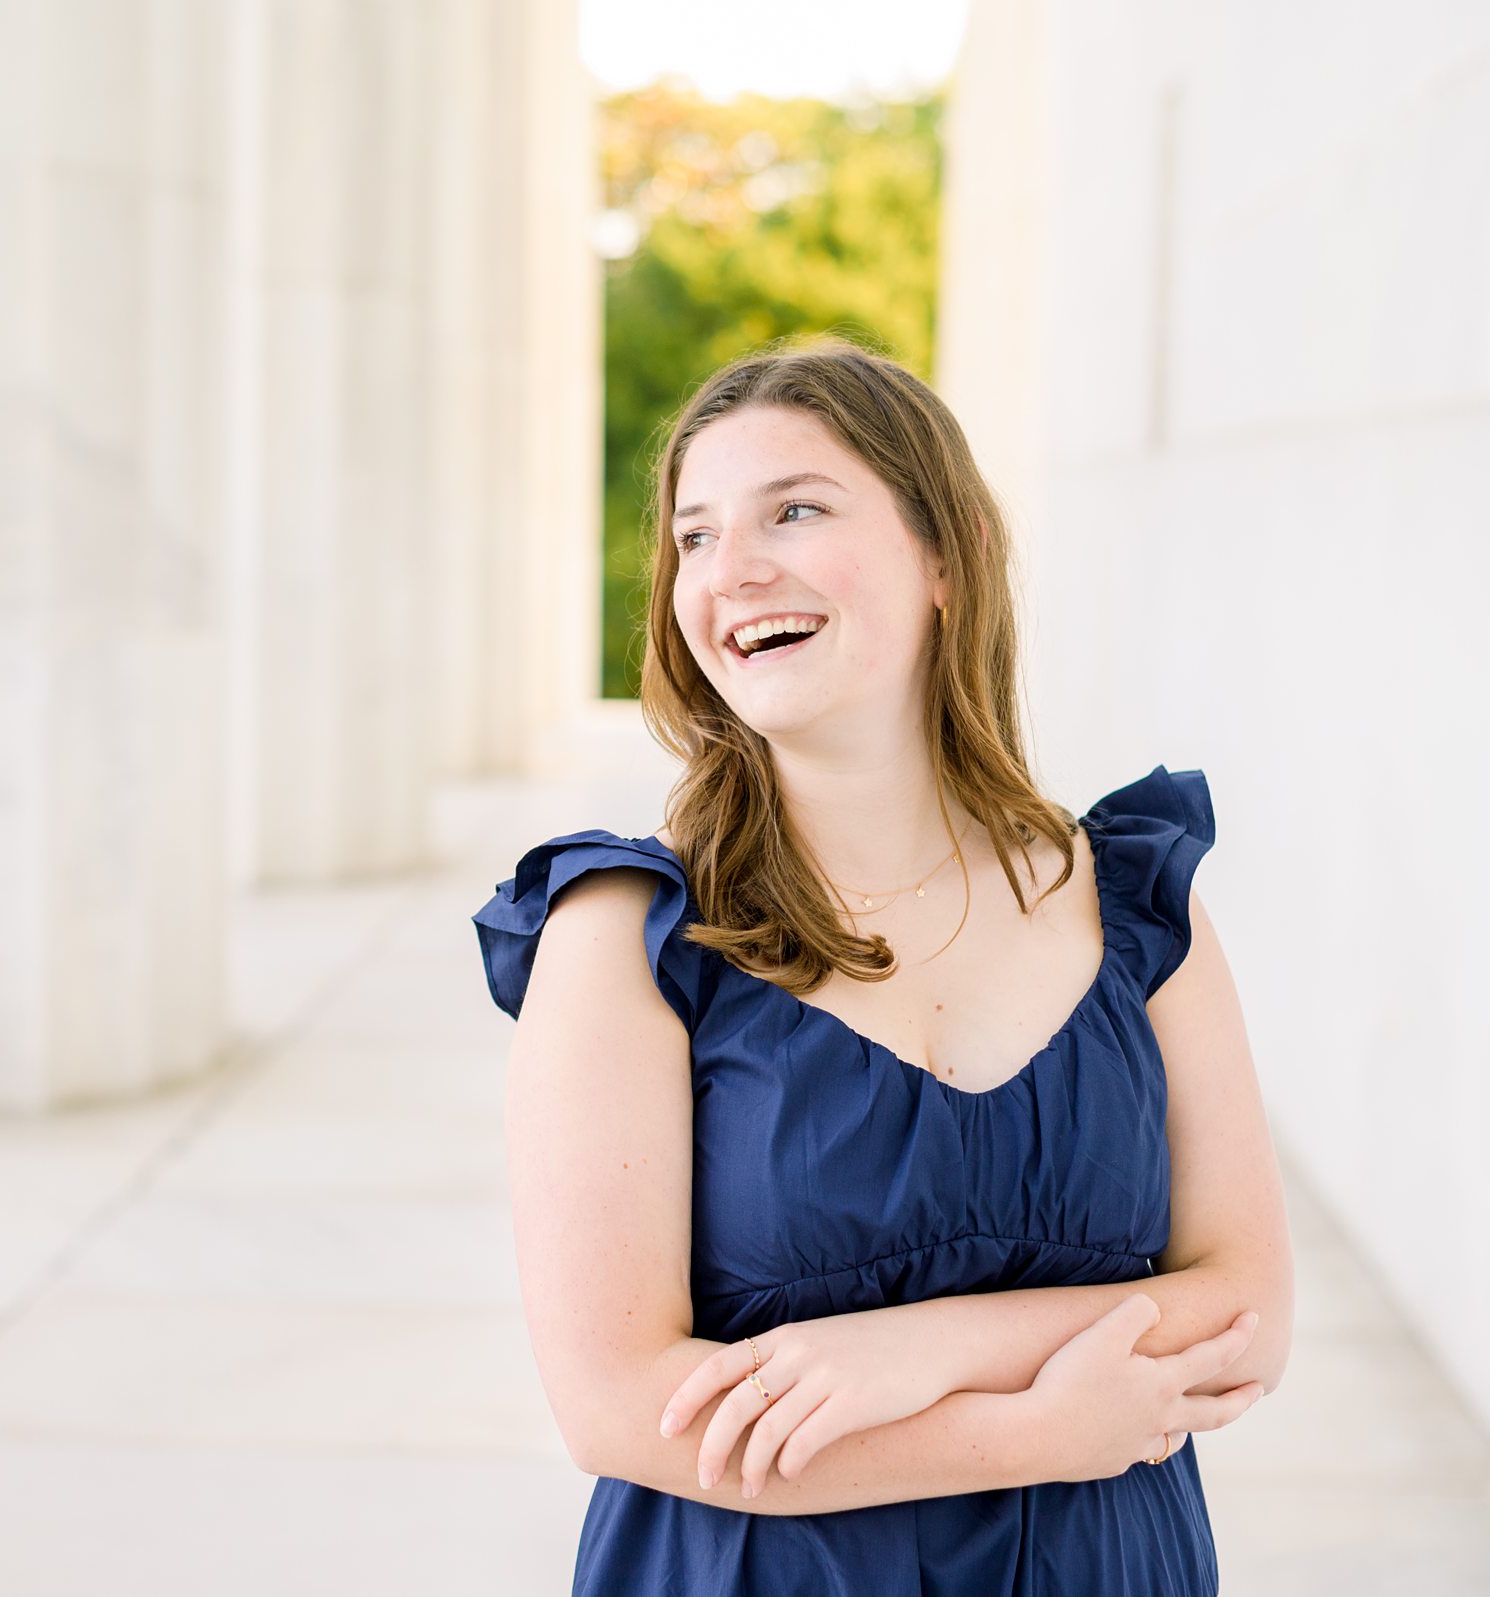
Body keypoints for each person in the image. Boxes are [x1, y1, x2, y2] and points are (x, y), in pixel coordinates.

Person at [469, 338, 1294, 1594]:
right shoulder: (627, 936)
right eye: (693, 537)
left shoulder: (1130, 900)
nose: (730, 571)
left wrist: (916, 1352)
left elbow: (1244, 1308)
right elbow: (622, 1405)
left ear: (945, 555)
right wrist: (1036, 1429)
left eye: (792, 510)